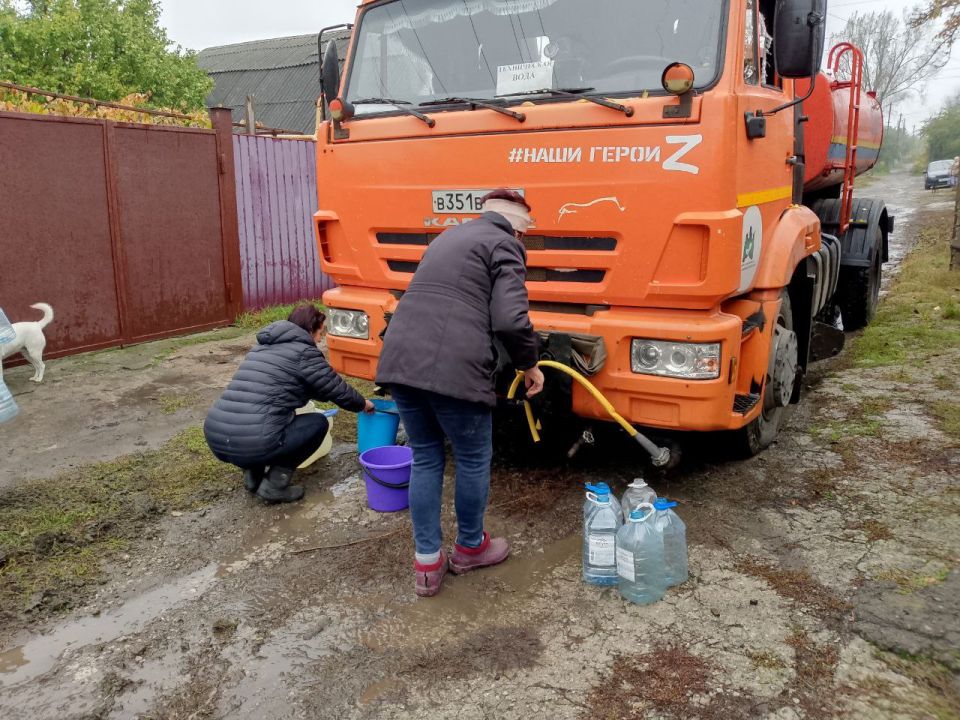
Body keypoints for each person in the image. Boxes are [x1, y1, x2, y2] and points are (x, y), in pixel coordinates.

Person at [376, 189, 545, 597]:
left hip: (400, 358)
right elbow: (508, 318)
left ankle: (428, 565)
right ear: (519, 228)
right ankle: (471, 547)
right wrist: (529, 364)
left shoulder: (448, 237)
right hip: (453, 366)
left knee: (427, 457)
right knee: (471, 458)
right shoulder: (506, 244)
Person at [204, 304, 374, 504]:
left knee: (259, 419)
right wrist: (364, 404)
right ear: (311, 329)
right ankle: (274, 485)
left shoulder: (262, 347)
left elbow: (311, 388)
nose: (321, 339)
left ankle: (253, 476)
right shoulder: (304, 352)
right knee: (318, 424)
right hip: (253, 441)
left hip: (217, 436)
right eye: (321, 333)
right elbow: (336, 389)